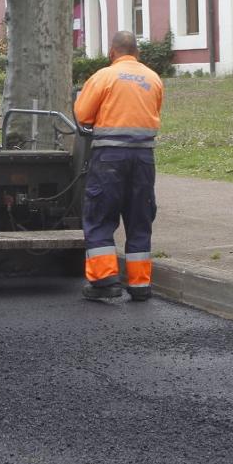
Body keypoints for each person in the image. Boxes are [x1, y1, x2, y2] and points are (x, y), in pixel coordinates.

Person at [73, 31, 164, 303]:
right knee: (139, 218)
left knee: (100, 215)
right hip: (144, 158)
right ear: (137, 52)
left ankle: (104, 281)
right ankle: (140, 285)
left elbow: (83, 115)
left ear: (113, 52)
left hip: (110, 157)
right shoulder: (153, 78)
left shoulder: (103, 76)